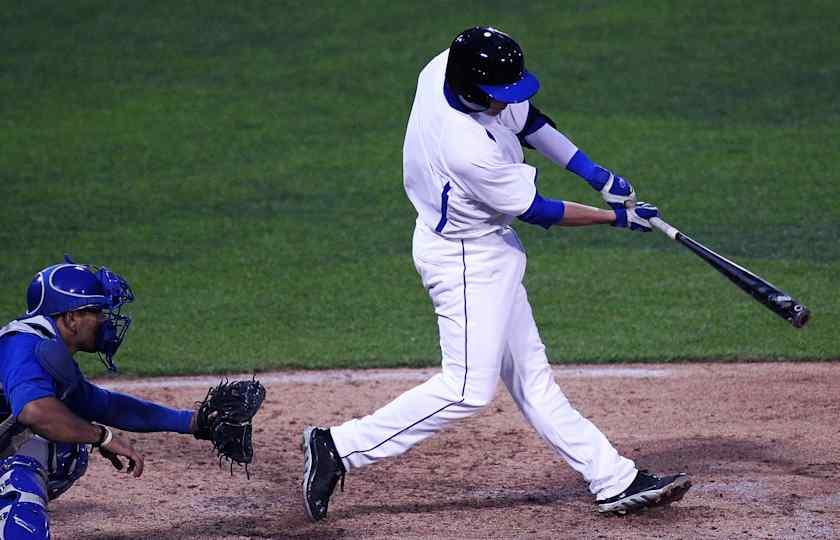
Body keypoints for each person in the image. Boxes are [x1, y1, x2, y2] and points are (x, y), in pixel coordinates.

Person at [301, 26, 691, 521]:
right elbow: (539, 211)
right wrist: (616, 217)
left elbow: (529, 123)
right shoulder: (467, 148)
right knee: (467, 388)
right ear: (469, 90)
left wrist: (599, 176)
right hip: (463, 259)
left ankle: (613, 479)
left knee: (532, 380)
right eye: (495, 97)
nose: (503, 104)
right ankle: (338, 447)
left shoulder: (449, 67)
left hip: (488, 250)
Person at [0, 257, 257, 539]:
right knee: (31, 459)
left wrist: (193, 422)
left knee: (65, 441)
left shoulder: (48, 352)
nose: (104, 320)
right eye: (96, 311)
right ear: (71, 318)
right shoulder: (24, 345)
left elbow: (105, 405)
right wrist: (102, 437)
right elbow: (36, 412)